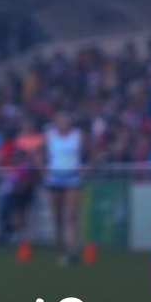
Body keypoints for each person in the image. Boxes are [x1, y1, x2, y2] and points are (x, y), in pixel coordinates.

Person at [45, 111, 86, 263]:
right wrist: (44, 170)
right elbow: (40, 154)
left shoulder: (78, 135)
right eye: (60, 121)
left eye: (65, 120)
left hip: (72, 177)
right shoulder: (50, 135)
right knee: (57, 216)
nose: (63, 123)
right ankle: (59, 246)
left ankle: (72, 249)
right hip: (54, 178)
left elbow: (90, 152)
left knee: (71, 215)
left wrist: (87, 166)